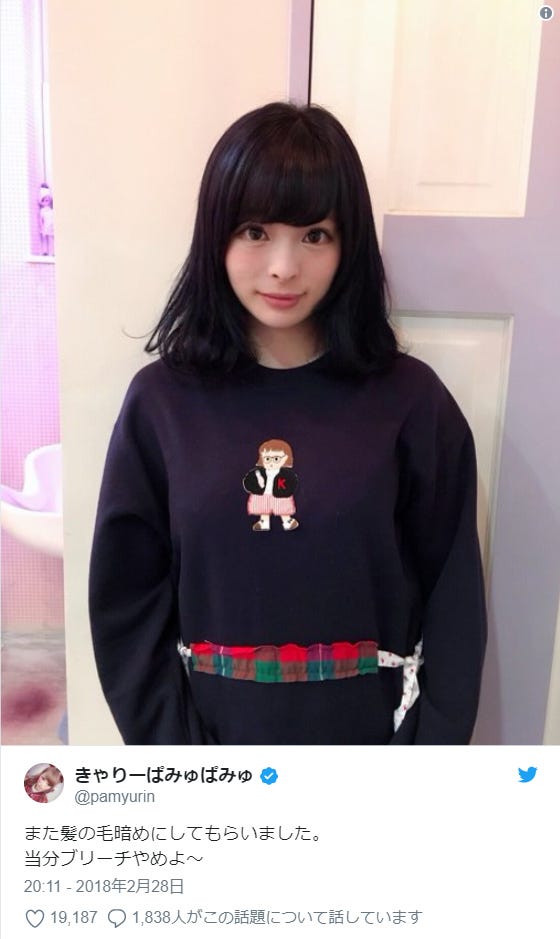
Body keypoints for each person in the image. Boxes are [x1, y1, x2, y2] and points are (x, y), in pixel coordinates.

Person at [89, 102, 487, 745]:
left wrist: (424, 762)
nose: (283, 266)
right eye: (255, 231)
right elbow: (126, 605)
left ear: (347, 245)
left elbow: (454, 597)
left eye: (314, 235)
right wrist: (183, 766)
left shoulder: (413, 402)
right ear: (215, 235)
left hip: (376, 751)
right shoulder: (160, 404)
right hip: (209, 754)